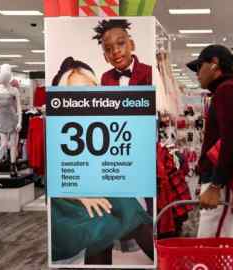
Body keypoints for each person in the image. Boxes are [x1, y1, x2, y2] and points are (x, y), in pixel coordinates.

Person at [50, 57, 154, 265]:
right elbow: (53, 181)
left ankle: (167, 261)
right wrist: (83, 196)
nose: (84, 97)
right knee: (102, 220)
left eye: (89, 89)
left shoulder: (101, 120)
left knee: (126, 206)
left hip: (98, 187)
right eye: (76, 92)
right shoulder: (56, 126)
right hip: (66, 200)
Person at [186, 45, 233, 237]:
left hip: (224, 184)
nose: (197, 74)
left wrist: (216, 185)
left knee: (210, 245)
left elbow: (231, 142)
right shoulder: (226, 91)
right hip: (223, 182)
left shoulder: (228, 91)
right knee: (218, 244)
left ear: (214, 64)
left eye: (199, 67)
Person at [93, 19, 152, 86]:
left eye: (120, 43)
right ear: (105, 57)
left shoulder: (149, 72)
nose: (115, 51)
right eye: (108, 49)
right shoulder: (105, 78)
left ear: (132, 45)